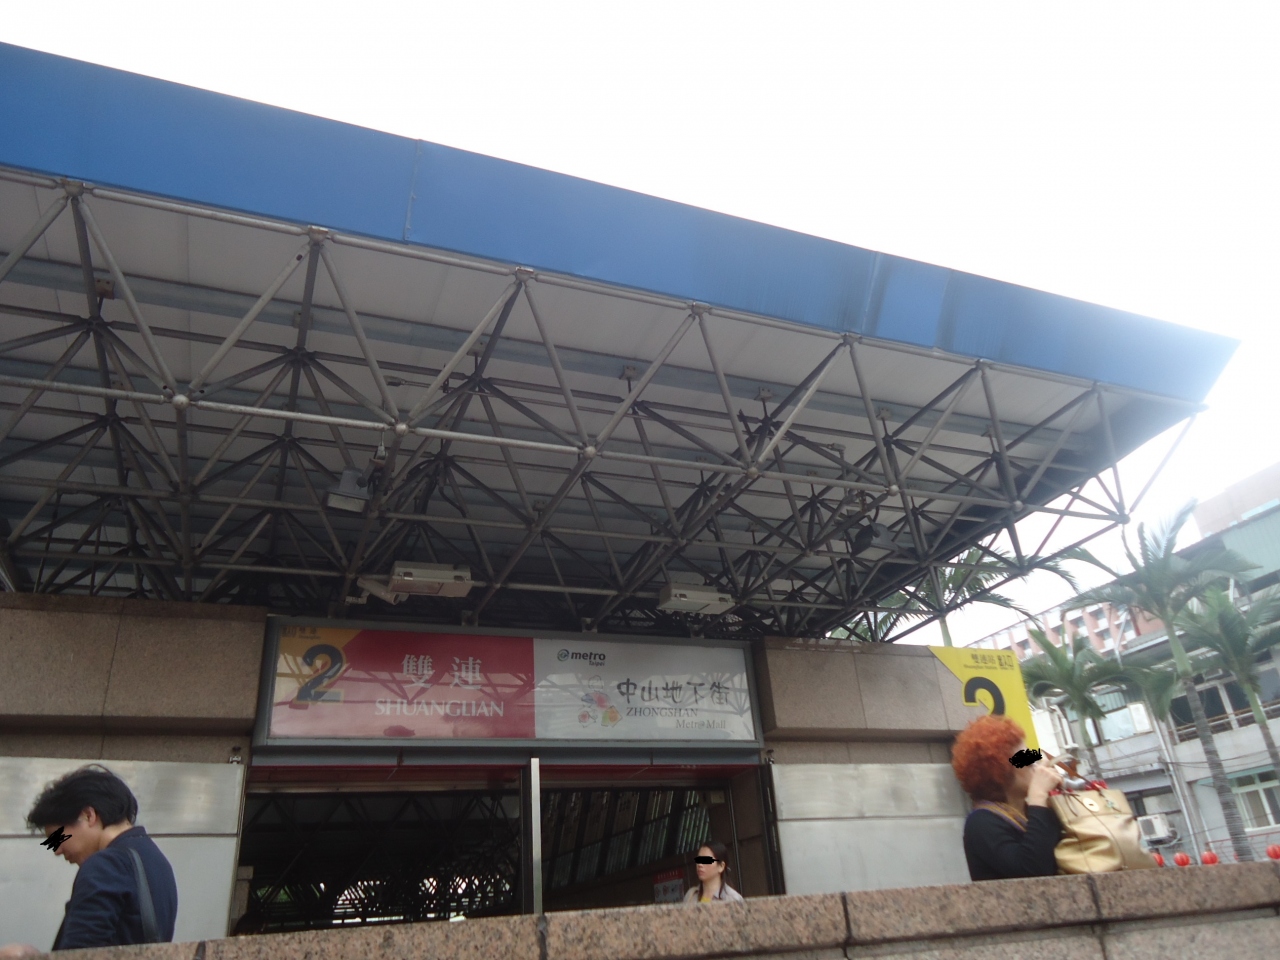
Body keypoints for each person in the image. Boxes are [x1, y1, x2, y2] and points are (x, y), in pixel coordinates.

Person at [0, 765, 178, 956]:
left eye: (57, 838)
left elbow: (80, 954)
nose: (57, 850)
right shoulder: (156, 861)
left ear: (88, 815)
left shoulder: (105, 865)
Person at [951, 714, 1064, 881]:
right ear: (998, 770)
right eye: (1024, 758)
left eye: (1032, 756)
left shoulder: (1035, 811)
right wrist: (1038, 796)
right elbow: (1033, 871)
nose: (1035, 764)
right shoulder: (981, 822)